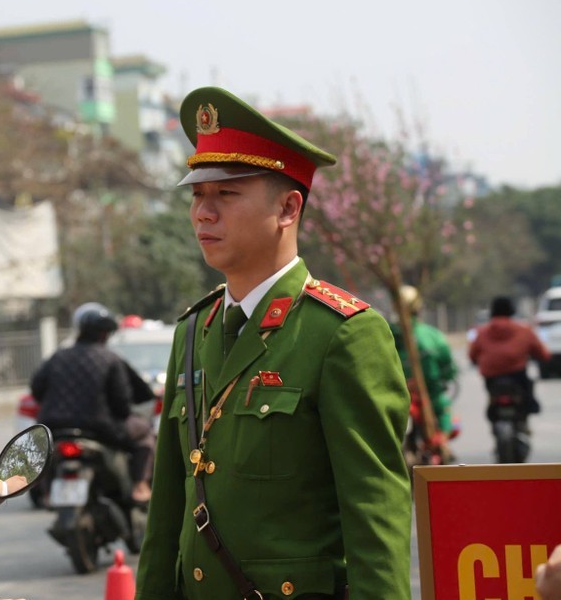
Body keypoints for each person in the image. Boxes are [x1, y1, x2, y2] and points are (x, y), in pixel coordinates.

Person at [135, 87, 412, 599]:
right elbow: (166, 512)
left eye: (226, 194)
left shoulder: (342, 333)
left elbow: (376, 514)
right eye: (197, 195)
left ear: (288, 207)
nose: (203, 213)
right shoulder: (192, 332)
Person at [31, 302, 156, 502]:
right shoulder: (111, 359)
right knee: (145, 435)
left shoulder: (58, 356)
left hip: (53, 427)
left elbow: (36, 389)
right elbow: (122, 405)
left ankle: (45, 491)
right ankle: (140, 485)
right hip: (101, 428)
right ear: (105, 334)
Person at [390, 285, 459, 461]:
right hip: (428, 393)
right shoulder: (432, 336)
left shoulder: (385, 332)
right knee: (443, 411)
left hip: (393, 393)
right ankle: (442, 447)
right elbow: (447, 368)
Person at [468, 296, 549, 422]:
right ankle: (528, 410)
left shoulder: (482, 333)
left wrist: (476, 361)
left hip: (491, 377)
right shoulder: (524, 331)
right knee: (527, 392)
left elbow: (472, 355)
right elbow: (542, 353)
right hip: (517, 374)